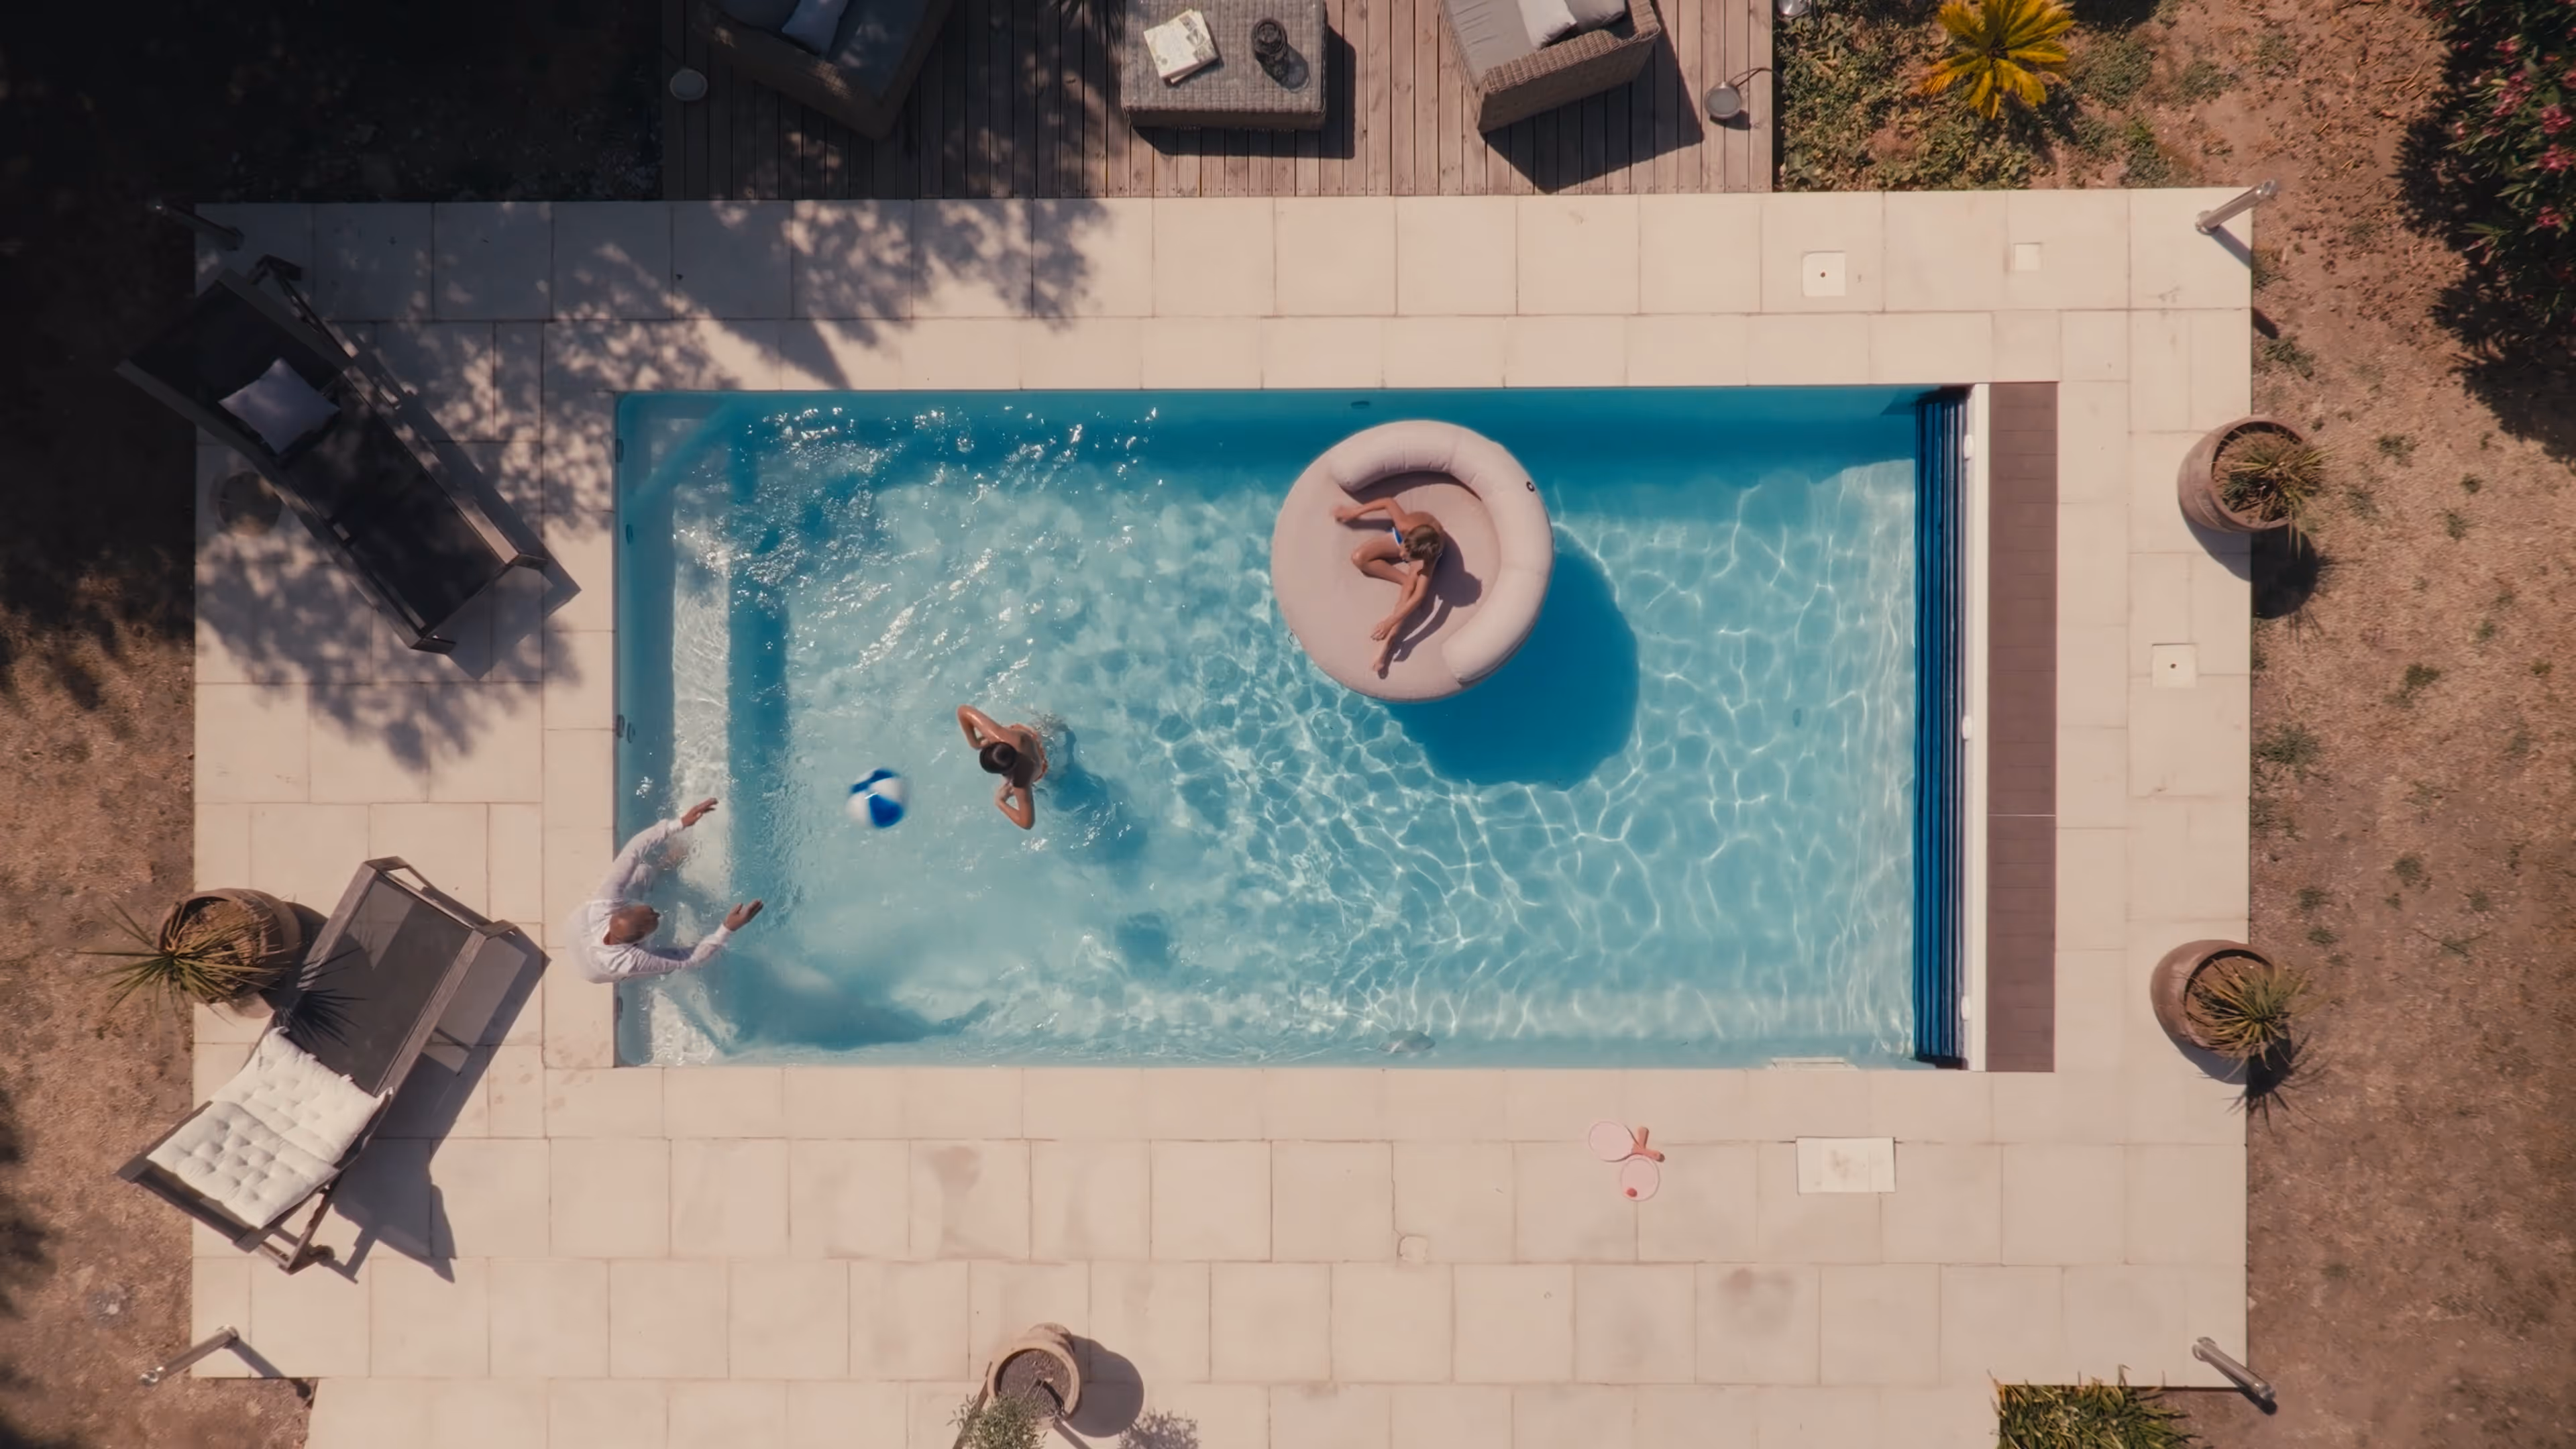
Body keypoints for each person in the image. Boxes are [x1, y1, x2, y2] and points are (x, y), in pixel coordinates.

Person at [566, 796, 763, 984]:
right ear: (641, 937)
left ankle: (664, 865)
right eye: (654, 919)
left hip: (576, 929)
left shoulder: (606, 901)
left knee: (641, 872)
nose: (657, 913)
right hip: (593, 970)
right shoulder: (632, 961)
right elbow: (690, 959)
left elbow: (633, 851)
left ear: (620, 909)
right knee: (667, 965)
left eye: (650, 912)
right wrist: (727, 929)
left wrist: (678, 824)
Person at [1334, 495, 1447, 675]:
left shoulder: (1428, 561)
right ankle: (1406, 581)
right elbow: (1387, 502)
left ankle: (1387, 646)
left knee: (1409, 595)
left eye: (1407, 558)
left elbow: (1419, 597)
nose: (1401, 557)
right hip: (1410, 539)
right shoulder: (1404, 527)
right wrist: (1354, 513)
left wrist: (1390, 622)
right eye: (1403, 553)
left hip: (1423, 549)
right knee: (1359, 558)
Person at [957, 705, 1049, 830]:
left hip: (1043, 766)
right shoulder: (999, 735)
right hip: (1030, 734)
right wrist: (975, 743)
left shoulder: (1021, 781)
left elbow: (1027, 823)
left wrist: (1000, 802)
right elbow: (963, 710)